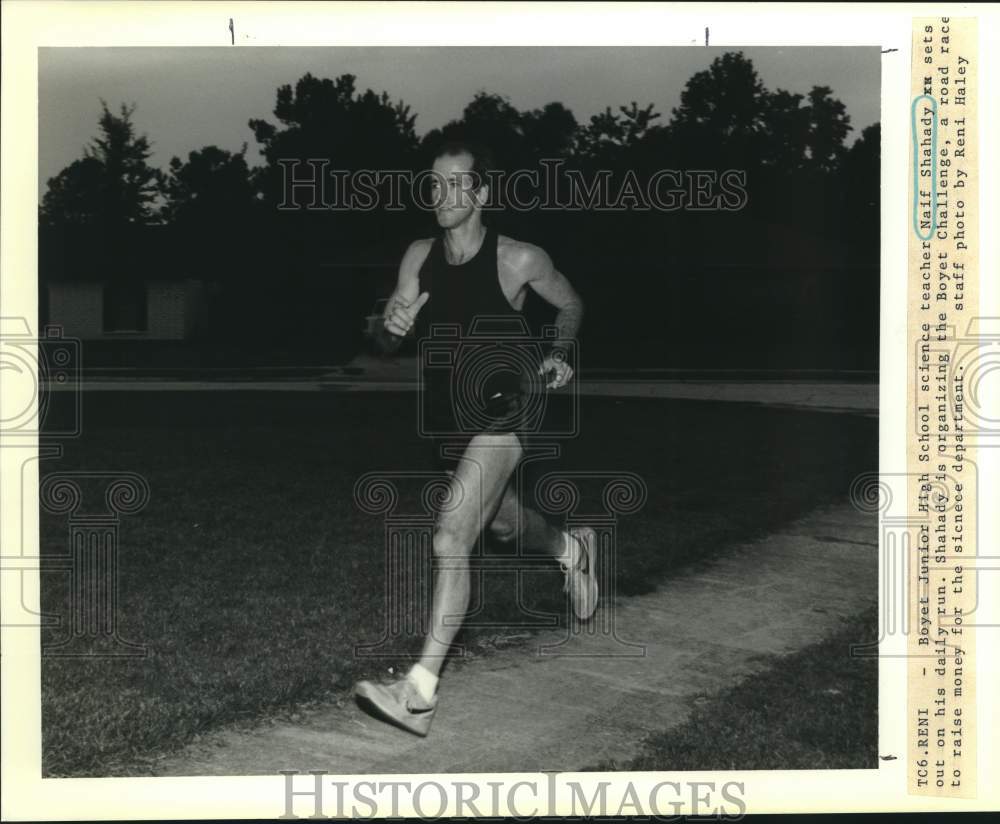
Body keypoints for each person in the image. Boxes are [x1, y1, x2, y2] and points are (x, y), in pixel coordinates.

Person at [355, 140, 597, 736]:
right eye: (433, 184)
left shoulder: (518, 258)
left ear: (481, 193)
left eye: (455, 184)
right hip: (449, 417)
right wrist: (390, 327)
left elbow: (570, 304)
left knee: (449, 535)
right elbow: (390, 336)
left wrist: (559, 354)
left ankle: (418, 692)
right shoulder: (418, 255)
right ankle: (571, 549)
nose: (441, 195)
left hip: (511, 406)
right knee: (504, 525)